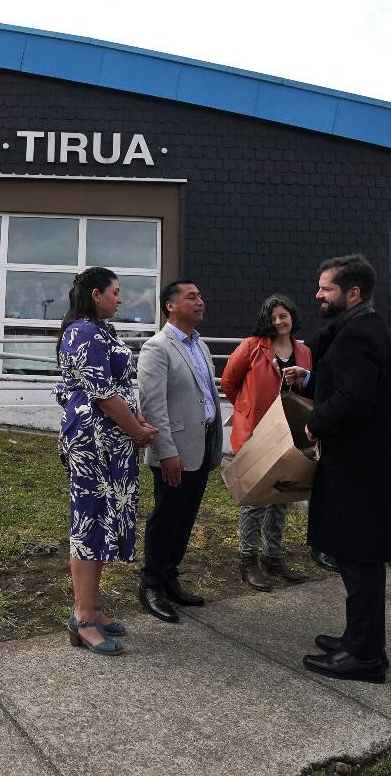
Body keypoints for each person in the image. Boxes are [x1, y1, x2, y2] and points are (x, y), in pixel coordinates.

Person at [294, 254, 391, 683]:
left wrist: (314, 421)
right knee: (356, 562)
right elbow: (354, 385)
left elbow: (355, 399)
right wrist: (311, 383)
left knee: (359, 561)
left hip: (359, 471)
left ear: (353, 293)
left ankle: (364, 656)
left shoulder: (357, 336)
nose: (318, 295)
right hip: (367, 466)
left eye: (326, 288)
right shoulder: (369, 329)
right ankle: (359, 639)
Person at [56, 266, 158, 655]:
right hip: (94, 443)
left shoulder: (99, 331)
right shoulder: (82, 331)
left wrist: (135, 422)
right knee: (90, 520)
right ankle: (81, 617)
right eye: (115, 292)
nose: (120, 298)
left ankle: (92, 608)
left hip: (108, 441)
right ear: (96, 294)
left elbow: (116, 390)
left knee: (101, 519)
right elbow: (103, 394)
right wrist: (137, 429)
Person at [135, 280, 224, 623]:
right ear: (171, 306)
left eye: (200, 295)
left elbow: (207, 399)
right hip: (174, 451)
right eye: (192, 297)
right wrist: (166, 452)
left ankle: (170, 577)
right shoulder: (157, 347)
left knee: (185, 519)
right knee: (166, 517)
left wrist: (214, 446)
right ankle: (151, 584)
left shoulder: (199, 346)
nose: (200, 301)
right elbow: (153, 406)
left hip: (200, 448)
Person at [220, 294, 313, 591]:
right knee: (255, 497)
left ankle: (274, 556)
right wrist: (245, 409)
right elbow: (229, 382)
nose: (278, 321)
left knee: (282, 495)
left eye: (283, 315)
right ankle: (249, 559)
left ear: (292, 317)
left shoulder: (304, 351)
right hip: (257, 431)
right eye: (273, 317)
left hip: (291, 430)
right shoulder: (252, 346)